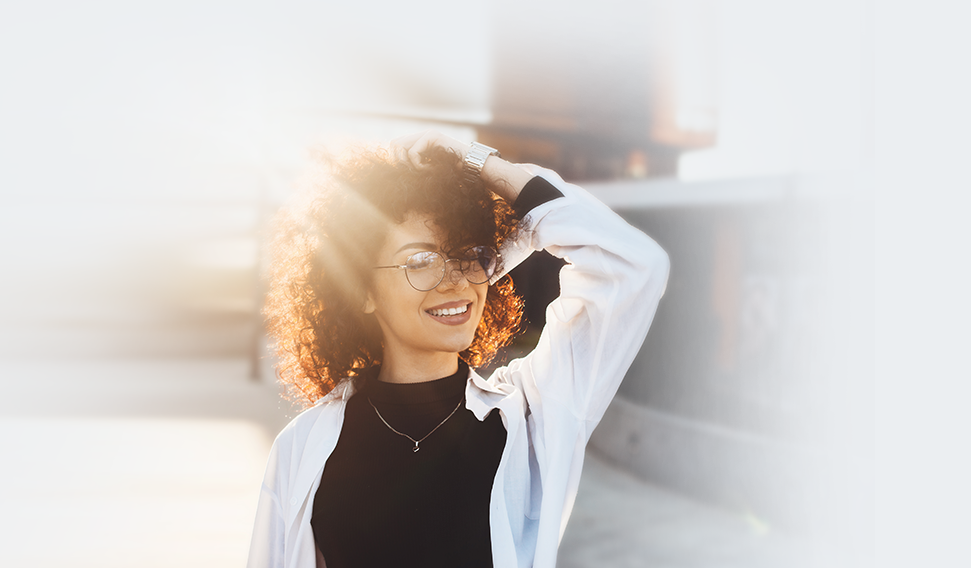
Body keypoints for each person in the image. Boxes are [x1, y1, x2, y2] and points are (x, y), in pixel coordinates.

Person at [249, 131, 670, 568]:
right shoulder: (304, 448)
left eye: (470, 255)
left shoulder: (529, 416)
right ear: (362, 290)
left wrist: (476, 161)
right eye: (421, 261)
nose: (455, 281)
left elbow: (633, 266)